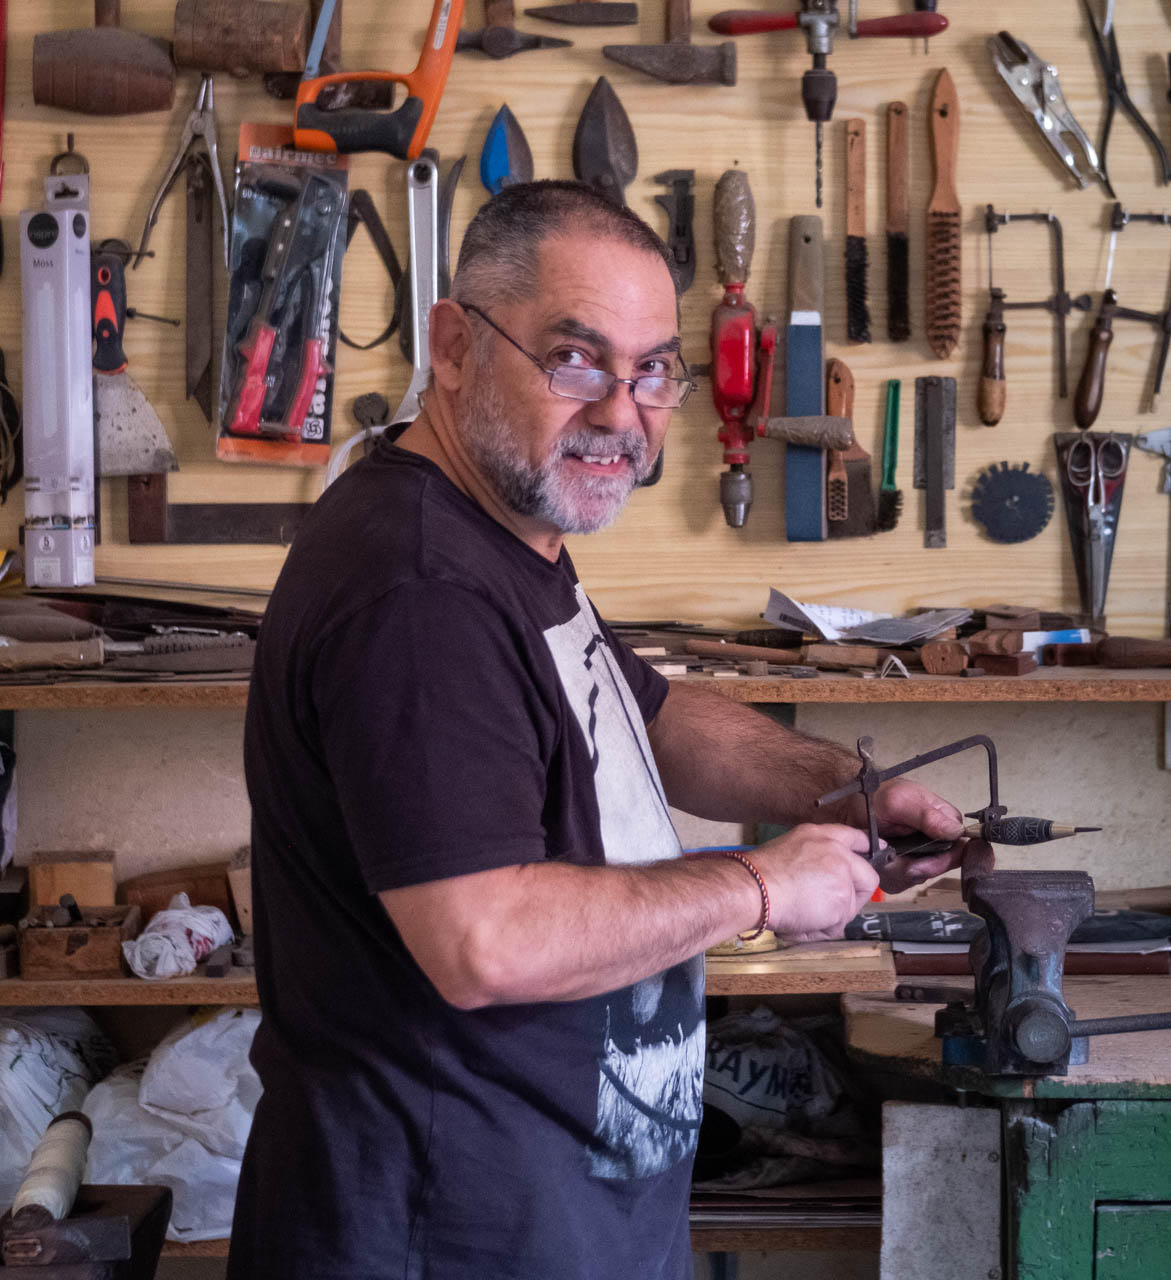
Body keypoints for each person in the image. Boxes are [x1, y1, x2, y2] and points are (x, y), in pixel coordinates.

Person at [230, 180, 972, 1280]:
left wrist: (844, 788)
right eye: (575, 359)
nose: (623, 413)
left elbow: (649, 712)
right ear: (453, 344)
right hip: (442, 1235)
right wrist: (762, 888)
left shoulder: (499, 528)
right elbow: (487, 939)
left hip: (549, 1214)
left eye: (653, 370)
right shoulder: (419, 588)